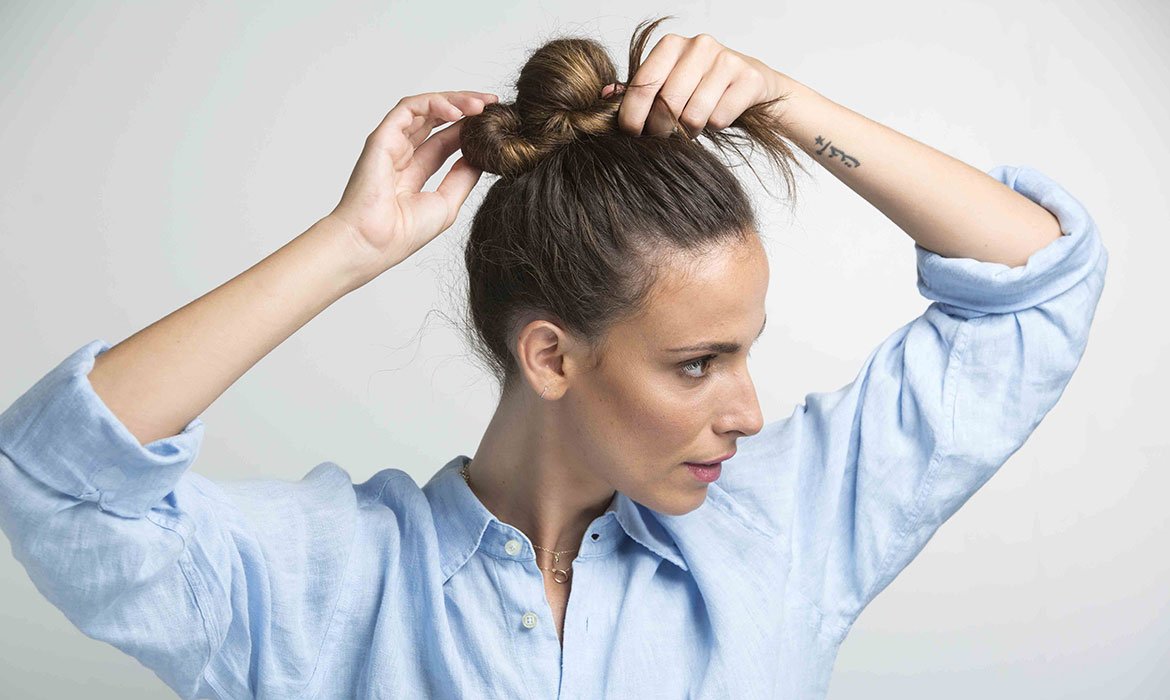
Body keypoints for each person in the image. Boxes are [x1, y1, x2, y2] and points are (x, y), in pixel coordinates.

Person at [0, 15, 1107, 700]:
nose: (748, 412)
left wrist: (791, 105)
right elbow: (55, 481)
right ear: (550, 356)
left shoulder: (784, 530)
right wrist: (348, 246)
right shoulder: (329, 584)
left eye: (744, 354)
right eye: (697, 363)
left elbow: (1041, 286)